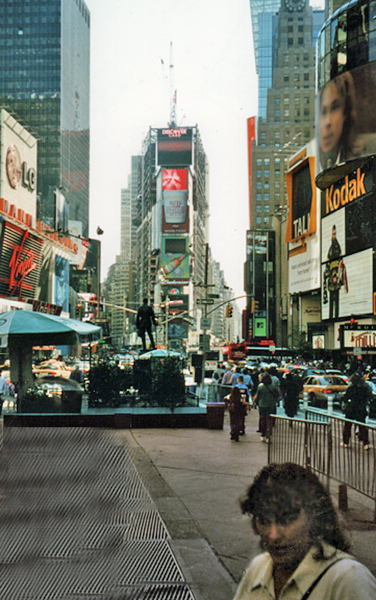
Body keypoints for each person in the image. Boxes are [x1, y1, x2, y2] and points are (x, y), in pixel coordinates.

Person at [233, 463, 376, 600]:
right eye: (264, 520)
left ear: (313, 517)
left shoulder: (347, 579)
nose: (273, 535)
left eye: (287, 519)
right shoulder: (258, 567)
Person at [341, 372, 371, 450]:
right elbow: (369, 396)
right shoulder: (364, 388)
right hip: (361, 409)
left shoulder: (351, 388)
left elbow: (346, 397)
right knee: (362, 427)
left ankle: (345, 442)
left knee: (347, 426)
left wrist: (346, 401)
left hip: (351, 409)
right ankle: (366, 443)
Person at [323, 225, 347, 320]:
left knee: (336, 300)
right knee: (332, 300)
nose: (334, 236)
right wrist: (327, 273)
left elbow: (341, 262)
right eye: (333, 234)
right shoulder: (330, 249)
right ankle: (330, 318)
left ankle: (336, 317)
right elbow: (327, 264)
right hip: (331, 279)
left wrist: (339, 275)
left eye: (335, 234)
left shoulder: (338, 248)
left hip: (336, 278)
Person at [252, 372, 276, 443]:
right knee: (270, 421)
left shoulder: (260, 386)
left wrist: (253, 402)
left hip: (262, 405)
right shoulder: (273, 386)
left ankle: (263, 434)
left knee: (263, 420)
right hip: (271, 405)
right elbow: (276, 395)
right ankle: (269, 436)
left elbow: (257, 395)